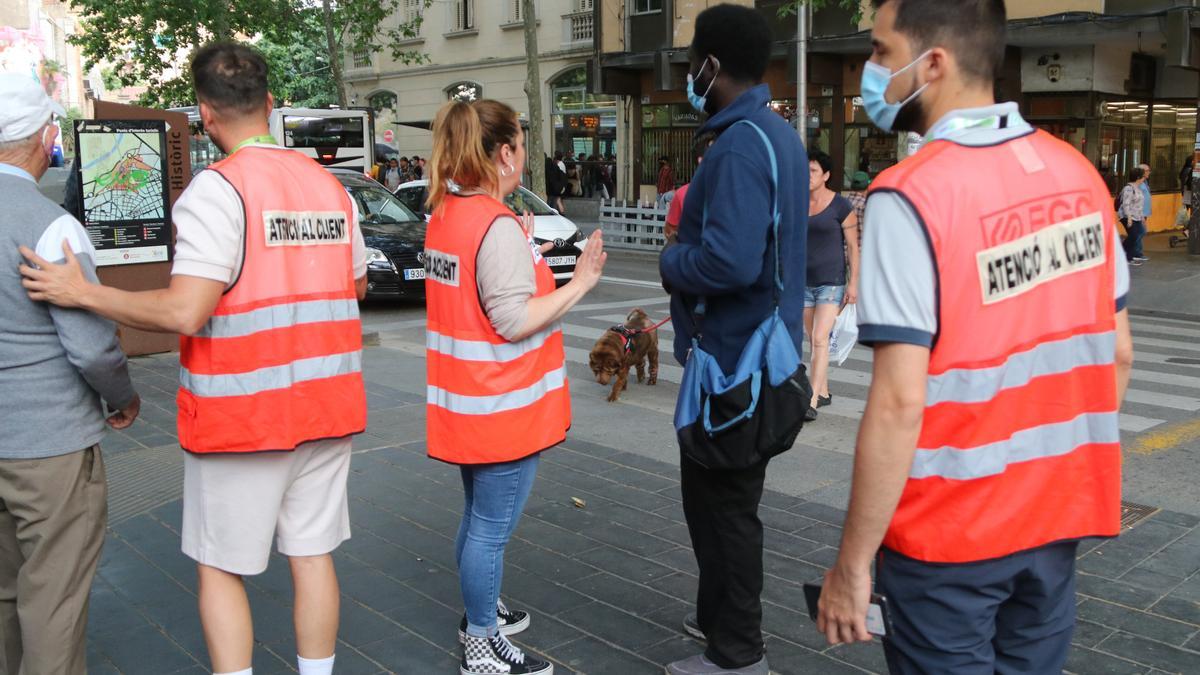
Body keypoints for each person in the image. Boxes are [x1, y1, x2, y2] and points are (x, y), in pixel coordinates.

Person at [20, 42, 369, 675]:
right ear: (269, 103)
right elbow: (356, 285)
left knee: (221, 566)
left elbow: (186, 310)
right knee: (313, 556)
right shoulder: (330, 188)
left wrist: (81, 292)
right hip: (327, 405)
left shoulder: (218, 191)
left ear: (205, 113)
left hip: (244, 418)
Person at [815, 4, 1134, 675]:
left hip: (949, 538)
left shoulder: (909, 196)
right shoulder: (1078, 175)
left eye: (880, 51)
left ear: (933, 63)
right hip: (1057, 518)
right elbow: (1119, 351)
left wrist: (852, 562)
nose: (871, 72)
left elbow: (900, 403)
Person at [423, 98, 606, 675]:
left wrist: (522, 245)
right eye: (522, 145)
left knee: (477, 520)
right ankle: (481, 643)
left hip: (467, 401)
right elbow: (511, 319)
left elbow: (479, 294)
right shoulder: (492, 226)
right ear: (504, 153)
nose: (526, 155)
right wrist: (580, 284)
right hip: (504, 407)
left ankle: (482, 616)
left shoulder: (447, 214)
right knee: (490, 532)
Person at [659, 6, 808, 674]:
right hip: (759, 359)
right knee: (721, 503)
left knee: (724, 511)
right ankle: (721, 628)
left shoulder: (744, 144)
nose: (689, 72)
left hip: (737, 370)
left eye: (693, 60)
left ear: (710, 66)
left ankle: (738, 654)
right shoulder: (775, 135)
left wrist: (672, 262)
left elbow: (731, 262)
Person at [0, 72, 140, 675]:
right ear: (44, 137)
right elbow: (90, 348)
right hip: (48, 446)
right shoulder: (51, 226)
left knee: (5, 592)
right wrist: (122, 398)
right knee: (52, 598)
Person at [804, 150, 859, 421]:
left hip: (831, 282)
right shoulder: (797, 202)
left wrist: (854, 284)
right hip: (802, 283)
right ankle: (823, 391)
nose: (808, 175)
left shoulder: (841, 207)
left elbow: (852, 247)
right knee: (813, 340)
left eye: (813, 171)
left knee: (819, 338)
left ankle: (811, 399)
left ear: (825, 175)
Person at [664, 133, 716, 243]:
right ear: (701, 160)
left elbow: (670, 231)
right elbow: (670, 230)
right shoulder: (682, 194)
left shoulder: (733, 192)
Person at [1120, 166, 1148, 266]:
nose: (1144, 178)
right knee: (1134, 235)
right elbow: (1125, 204)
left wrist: (1142, 218)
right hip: (1128, 216)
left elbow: (1139, 205)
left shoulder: (1138, 188)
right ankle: (1126, 255)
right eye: (1143, 177)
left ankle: (1127, 253)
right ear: (1138, 177)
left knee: (1141, 232)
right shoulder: (1128, 188)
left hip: (1137, 216)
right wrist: (1129, 218)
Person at [843, 170, 870, 242]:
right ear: (868, 186)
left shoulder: (843, 201)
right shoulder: (866, 204)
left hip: (843, 248)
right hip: (861, 248)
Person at [1136, 162, 1151, 262]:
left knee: (1140, 232)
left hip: (1144, 212)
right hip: (1139, 213)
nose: (1149, 172)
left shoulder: (1144, 182)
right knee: (1139, 232)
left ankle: (1137, 252)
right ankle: (1137, 253)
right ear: (1143, 172)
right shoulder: (1139, 183)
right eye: (1148, 171)